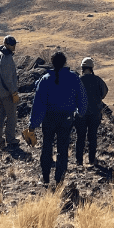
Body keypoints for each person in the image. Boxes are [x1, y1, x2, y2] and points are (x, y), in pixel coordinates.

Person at [28, 52, 87, 186]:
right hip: (66, 118)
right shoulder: (74, 78)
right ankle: (59, 179)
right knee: (63, 148)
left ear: (52, 63)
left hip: (49, 118)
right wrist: (80, 113)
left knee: (47, 146)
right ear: (65, 62)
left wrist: (33, 124)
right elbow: (82, 98)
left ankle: (45, 178)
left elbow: (38, 104)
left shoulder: (45, 79)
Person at [74, 56, 108, 166]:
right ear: (92, 68)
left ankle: (79, 161)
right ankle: (92, 160)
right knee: (92, 137)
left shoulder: (78, 80)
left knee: (80, 137)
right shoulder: (98, 80)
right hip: (95, 113)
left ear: (82, 68)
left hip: (80, 114)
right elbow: (104, 92)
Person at [0, 35, 19, 149]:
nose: (14, 46)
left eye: (15, 44)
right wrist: (14, 92)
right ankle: (11, 139)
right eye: (12, 44)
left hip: (0, 91)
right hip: (8, 93)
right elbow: (8, 79)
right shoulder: (7, 58)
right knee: (11, 116)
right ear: (7, 44)